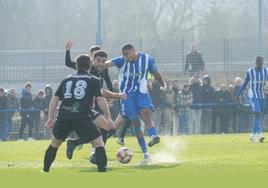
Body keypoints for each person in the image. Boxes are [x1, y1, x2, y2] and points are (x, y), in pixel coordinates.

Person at [43, 54, 115, 173]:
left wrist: (51, 118)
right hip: (83, 115)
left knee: (55, 144)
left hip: (64, 115)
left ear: (76, 66)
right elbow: (100, 99)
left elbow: (55, 99)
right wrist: (108, 116)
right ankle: (102, 172)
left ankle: (45, 171)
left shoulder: (66, 80)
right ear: (90, 65)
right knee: (98, 143)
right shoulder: (94, 80)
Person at [103, 43, 165, 164]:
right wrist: (95, 64)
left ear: (133, 51)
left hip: (141, 92)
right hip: (126, 96)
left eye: (127, 54)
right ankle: (146, 155)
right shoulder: (121, 60)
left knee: (146, 114)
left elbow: (156, 73)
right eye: (124, 55)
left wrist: (163, 84)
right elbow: (106, 65)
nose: (125, 57)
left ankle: (153, 136)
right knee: (135, 122)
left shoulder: (147, 59)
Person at [64, 48, 126, 164]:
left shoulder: (101, 71)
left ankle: (86, 148)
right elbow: (100, 91)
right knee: (104, 130)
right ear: (92, 58)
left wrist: (109, 97)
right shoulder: (88, 70)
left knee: (106, 130)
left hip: (93, 104)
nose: (101, 63)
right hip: (85, 107)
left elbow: (103, 87)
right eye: (98, 60)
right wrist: (116, 95)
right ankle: (94, 152)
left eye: (103, 61)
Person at [236, 56, 268, 142]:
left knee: (258, 115)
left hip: (261, 95)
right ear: (255, 62)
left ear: (263, 62)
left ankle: (252, 135)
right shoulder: (250, 72)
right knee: (257, 112)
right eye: (257, 61)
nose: (259, 62)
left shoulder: (266, 71)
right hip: (253, 95)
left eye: (260, 61)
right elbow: (244, 84)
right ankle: (260, 134)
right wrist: (238, 94)